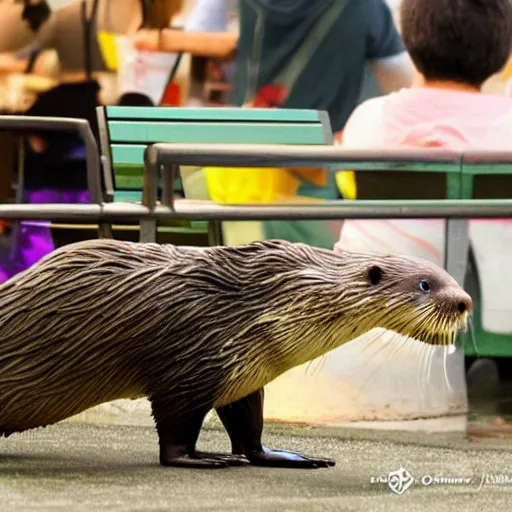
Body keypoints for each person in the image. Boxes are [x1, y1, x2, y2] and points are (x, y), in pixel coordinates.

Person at [133, 0, 415, 248]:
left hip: (243, 176)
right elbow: (403, 85)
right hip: (321, 179)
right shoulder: (366, 7)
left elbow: (205, 37)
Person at [335, 0, 512, 334]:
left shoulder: (370, 117)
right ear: (504, 50)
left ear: (410, 39)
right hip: (496, 312)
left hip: (384, 311)